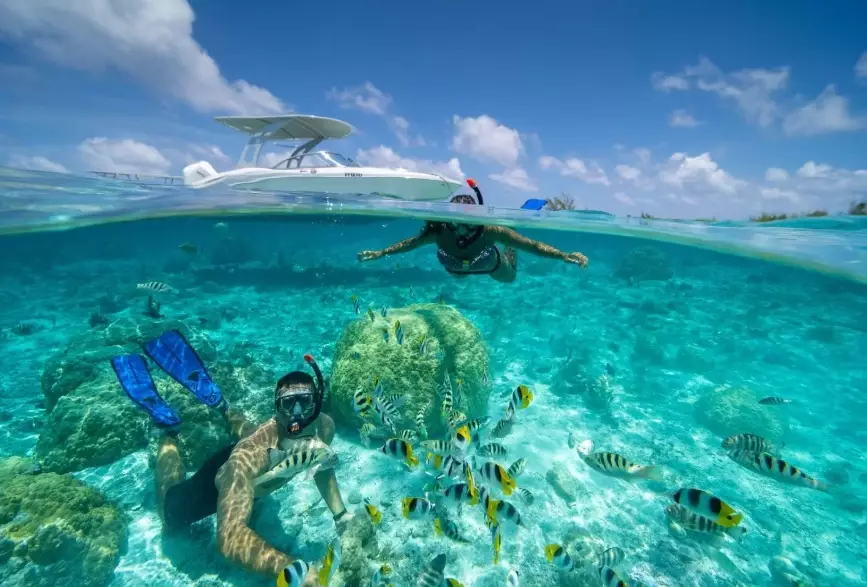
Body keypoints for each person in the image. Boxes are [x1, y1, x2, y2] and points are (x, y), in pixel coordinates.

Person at [110, 329, 347, 585]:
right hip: (219, 479)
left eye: (305, 402)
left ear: (317, 403)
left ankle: (222, 406)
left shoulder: (324, 427)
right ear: (276, 409)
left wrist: (341, 516)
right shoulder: (249, 459)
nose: (297, 414)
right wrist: (295, 570)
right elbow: (230, 539)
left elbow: (320, 467)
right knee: (170, 514)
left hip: (256, 456)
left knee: (251, 432)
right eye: (288, 404)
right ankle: (168, 430)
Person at [357, 179, 589, 281]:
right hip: (455, 266)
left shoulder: (491, 230)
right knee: (459, 277)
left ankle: (509, 246)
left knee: (509, 278)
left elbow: (532, 245)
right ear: (447, 219)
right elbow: (410, 243)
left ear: (476, 219)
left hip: (489, 262)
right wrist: (381, 253)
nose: (461, 229)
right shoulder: (438, 230)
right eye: (455, 222)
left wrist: (563, 255)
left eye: (467, 222)